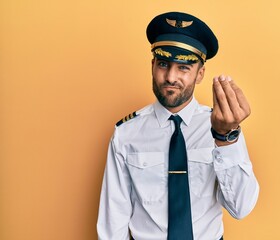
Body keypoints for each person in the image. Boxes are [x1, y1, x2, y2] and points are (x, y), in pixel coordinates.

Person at [97, 11, 259, 240]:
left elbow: (240, 207)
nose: (170, 77)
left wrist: (226, 138)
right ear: (153, 65)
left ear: (200, 73)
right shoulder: (126, 133)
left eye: (183, 67)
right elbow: (113, 219)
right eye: (163, 64)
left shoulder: (222, 127)